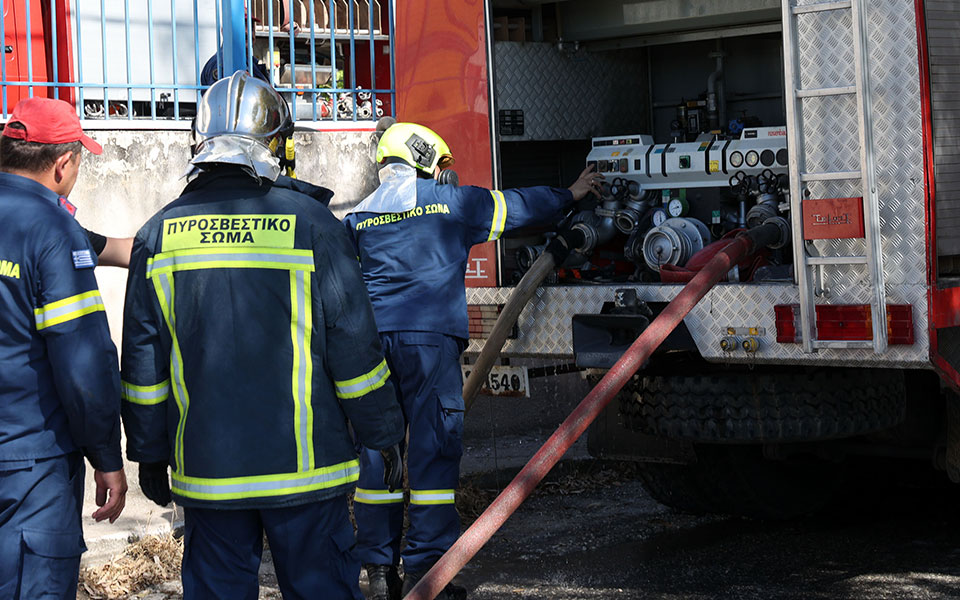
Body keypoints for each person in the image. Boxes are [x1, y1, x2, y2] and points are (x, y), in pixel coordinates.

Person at [120, 70, 405, 600]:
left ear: (197, 142)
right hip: (307, 474)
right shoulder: (314, 226)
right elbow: (354, 352)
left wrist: (149, 451)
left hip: (208, 474)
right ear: (277, 145)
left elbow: (143, 366)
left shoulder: (157, 236)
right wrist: (383, 433)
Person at [343, 122, 602, 600]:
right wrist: (570, 193)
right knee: (433, 452)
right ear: (426, 159)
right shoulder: (454, 205)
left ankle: (378, 573)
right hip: (429, 344)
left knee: (378, 455)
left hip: (370, 347)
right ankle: (428, 573)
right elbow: (519, 207)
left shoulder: (358, 215)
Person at [0, 97, 127, 599]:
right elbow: (83, 362)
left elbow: (112, 246)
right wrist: (107, 455)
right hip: (32, 465)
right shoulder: (52, 231)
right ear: (63, 163)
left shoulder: (52, 228)